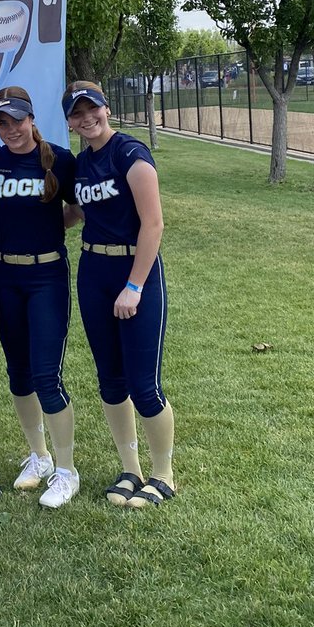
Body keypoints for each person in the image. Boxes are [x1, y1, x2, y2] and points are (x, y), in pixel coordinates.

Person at [62, 81, 175, 509]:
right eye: (77, 113)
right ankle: (130, 468)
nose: (87, 118)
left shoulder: (130, 154)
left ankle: (163, 472)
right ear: (70, 121)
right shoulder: (79, 164)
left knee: (143, 384)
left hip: (133, 272)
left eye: (93, 109)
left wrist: (134, 285)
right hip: (94, 272)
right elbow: (74, 213)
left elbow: (154, 225)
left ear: (106, 109)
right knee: (110, 381)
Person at [0, 86, 80, 509]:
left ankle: (66, 470)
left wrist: (51, 223)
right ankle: (38, 457)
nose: (11, 130)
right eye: (2, 123)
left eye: (17, 120)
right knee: (18, 374)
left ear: (32, 117)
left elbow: (78, 208)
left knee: (46, 375)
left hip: (46, 277)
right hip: (3, 273)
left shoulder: (58, 158)